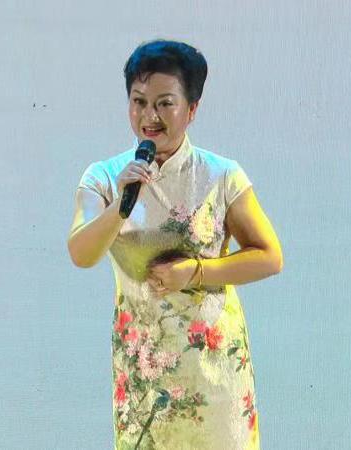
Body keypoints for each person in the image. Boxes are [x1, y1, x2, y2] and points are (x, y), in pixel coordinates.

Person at [67, 39, 283, 450]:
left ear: (192, 109)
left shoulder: (221, 175)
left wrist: (195, 272)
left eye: (164, 103)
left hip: (212, 368)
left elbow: (270, 257)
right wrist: (120, 205)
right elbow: (81, 253)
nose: (149, 116)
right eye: (139, 101)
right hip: (143, 367)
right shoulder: (105, 176)